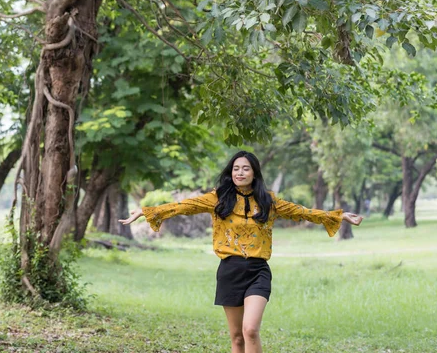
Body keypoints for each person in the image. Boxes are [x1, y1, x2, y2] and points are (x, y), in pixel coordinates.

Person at [119, 151, 363, 353]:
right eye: (236, 168)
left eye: (245, 168)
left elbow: (303, 211)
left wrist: (338, 216)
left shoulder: (269, 201)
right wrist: (146, 211)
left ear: (254, 172)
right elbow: (184, 206)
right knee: (236, 338)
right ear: (230, 172)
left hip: (258, 271)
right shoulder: (218, 198)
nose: (240, 172)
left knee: (250, 330)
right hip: (229, 271)